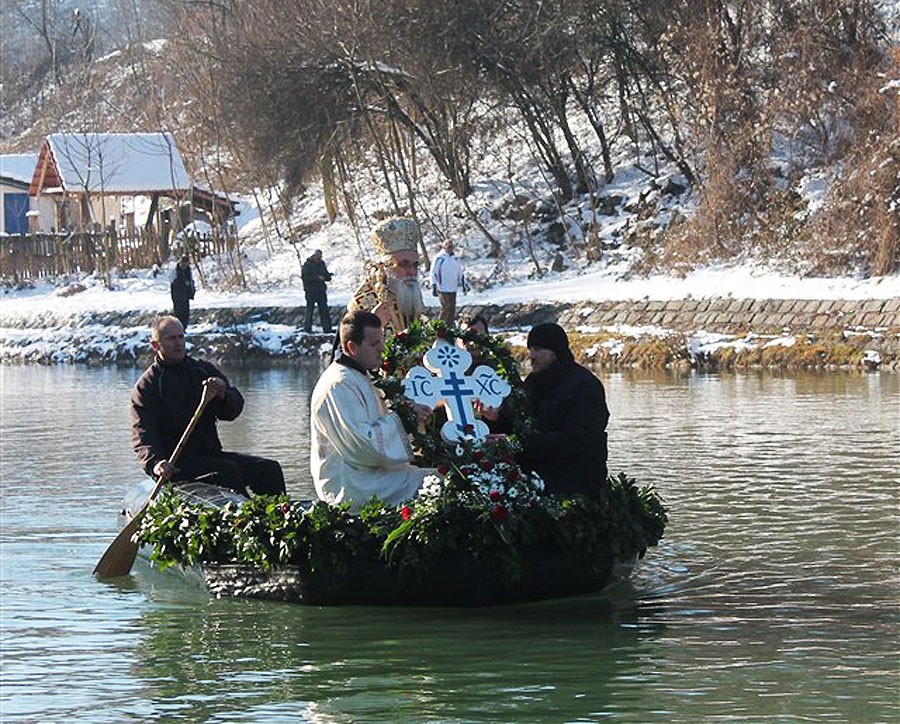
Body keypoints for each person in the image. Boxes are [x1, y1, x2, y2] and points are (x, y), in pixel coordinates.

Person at [130, 315, 286, 497]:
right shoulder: (148, 385)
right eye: (171, 338)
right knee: (227, 471)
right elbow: (142, 434)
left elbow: (232, 411)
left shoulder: (202, 371)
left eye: (181, 337)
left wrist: (223, 395)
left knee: (269, 469)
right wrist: (155, 463)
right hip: (175, 465)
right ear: (155, 345)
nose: (178, 343)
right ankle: (246, 512)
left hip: (210, 455)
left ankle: (278, 511)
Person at [310, 309, 435, 511]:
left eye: (382, 341)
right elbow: (364, 446)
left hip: (368, 474)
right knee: (439, 484)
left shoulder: (361, 375)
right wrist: (406, 418)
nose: (382, 348)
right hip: (351, 484)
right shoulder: (339, 384)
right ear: (351, 347)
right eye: (374, 344)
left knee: (440, 477)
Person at [484, 322, 609, 496]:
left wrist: (518, 444)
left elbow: (578, 438)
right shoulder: (533, 382)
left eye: (538, 350)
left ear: (555, 351)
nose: (531, 356)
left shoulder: (586, 386)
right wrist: (495, 419)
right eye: (530, 350)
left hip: (575, 480)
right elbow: (516, 422)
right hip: (535, 473)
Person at [348, 216, 427, 335]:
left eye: (415, 265)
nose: (411, 272)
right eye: (404, 264)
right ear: (385, 267)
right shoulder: (362, 304)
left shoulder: (412, 296)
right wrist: (372, 324)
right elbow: (348, 345)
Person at [430, 239, 468, 325]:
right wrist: (434, 285)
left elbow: (460, 272)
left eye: (451, 246)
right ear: (444, 247)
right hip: (442, 287)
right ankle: (439, 327)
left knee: (452, 309)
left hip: (453, 287)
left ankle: (449, 328)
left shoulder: (455, 259)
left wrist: (464, 284)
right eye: (448, 246)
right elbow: (433, 272)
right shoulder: (439, 258)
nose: (450, 248)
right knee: (446, 307)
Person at [301, 249, 333, 334]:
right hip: (310, 291)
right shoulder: (307, 265)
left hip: (321, 291)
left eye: (320, 257)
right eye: (318, 257)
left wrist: (328, 276)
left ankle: (327, 329)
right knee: (310, 311)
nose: (319, 259)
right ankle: (307, 329)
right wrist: (317, 278)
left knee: (324, 310)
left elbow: (326, 275)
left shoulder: (322, 264)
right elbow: (305, 277)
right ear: (314, 256)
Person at [169, 255, 195, 329]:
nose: (184, 265)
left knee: (186, 314)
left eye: (186, 263)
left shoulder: (188, 271)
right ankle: (178, 329)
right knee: (178, 314)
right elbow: (172, 281)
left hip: (186, 296)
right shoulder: (175, 271)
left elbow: (191, 281)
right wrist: (183, 283)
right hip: (178, 297)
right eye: (183, 263)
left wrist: (192, 290)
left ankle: (184, 328)